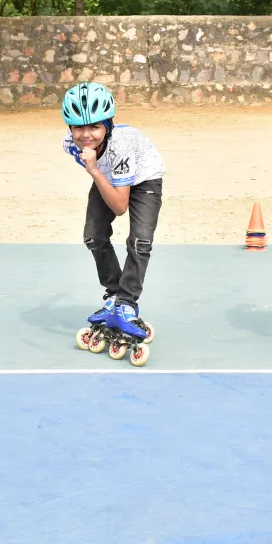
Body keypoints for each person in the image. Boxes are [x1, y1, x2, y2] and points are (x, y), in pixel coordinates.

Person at [63, 82, 165, 367]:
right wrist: (98, 172)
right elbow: (108, 185)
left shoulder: (122, 146)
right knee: (93, 236)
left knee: (140, 241)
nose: (85, 135)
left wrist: (94, 169)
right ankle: (114, 295)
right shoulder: (69, 145)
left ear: (108, 125)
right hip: (108, 178)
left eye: (94, 127)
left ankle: (127, 303)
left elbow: (120, 207)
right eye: (77, 127)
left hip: (145, 179)